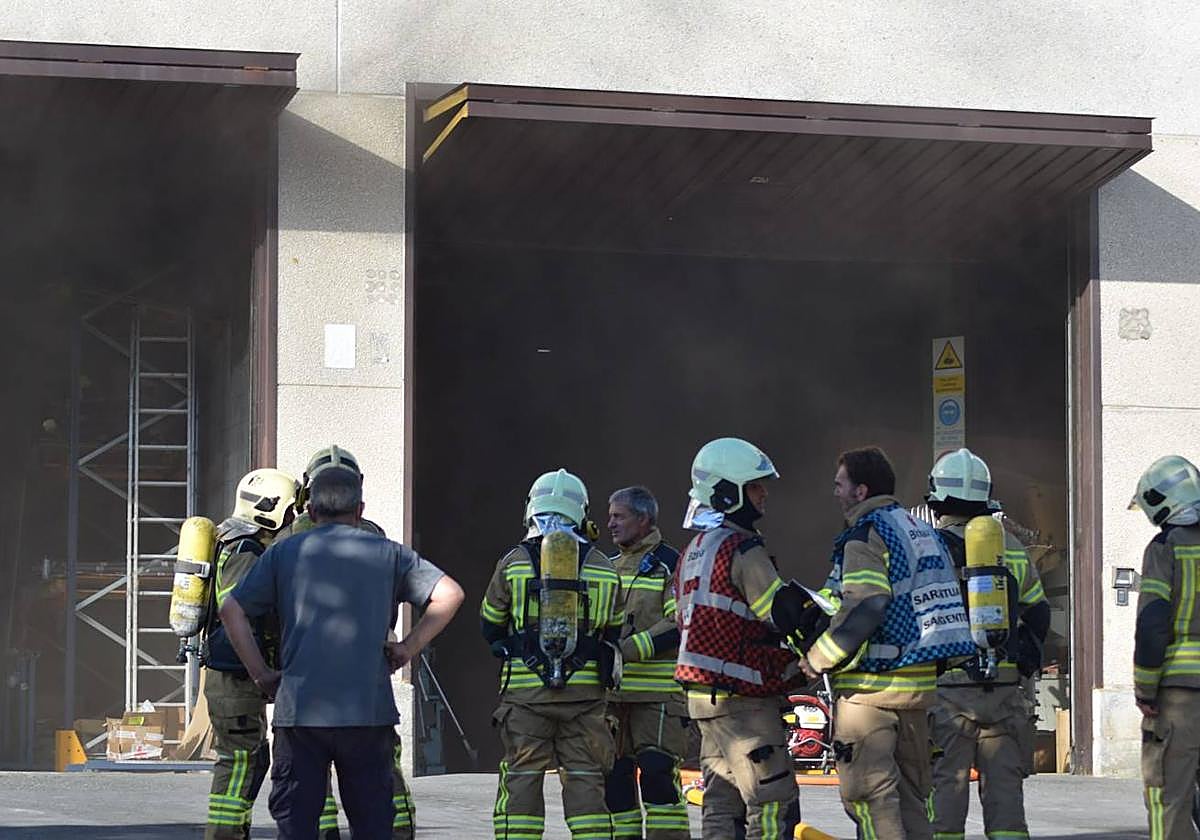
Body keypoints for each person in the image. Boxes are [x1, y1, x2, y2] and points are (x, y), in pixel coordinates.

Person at [219, 466, 464, 840]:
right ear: (360, 510)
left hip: (300, 714)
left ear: (312, 512)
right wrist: (407, 648)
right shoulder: (390, 554)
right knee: (372, 825)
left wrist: (261, 674)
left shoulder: (283, 554)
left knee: (298, 825)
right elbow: (450, 594)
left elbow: (231, 610)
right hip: (368, 714)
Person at [801, 447, 974, 840]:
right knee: (913, 800)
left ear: (861, 491)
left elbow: (867, 602)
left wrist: (818, 658)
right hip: (919, 693)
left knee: (869, 797)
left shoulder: (866, 534)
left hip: (872, 693)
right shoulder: (920, 530)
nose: (835, 493)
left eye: (839, 484)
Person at [274, 444, 413, 839]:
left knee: (304, 795)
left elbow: (253, 609)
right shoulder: (376, 539)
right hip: (366, 694)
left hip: (302, 694)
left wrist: (264, 671)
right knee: (376, 790)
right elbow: (409, 601)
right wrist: (403, 649)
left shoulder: (287, 543)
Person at [480, 468, 622, 840]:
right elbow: (614, 630)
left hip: (526, 699)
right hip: (586, 698)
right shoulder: (606, 568)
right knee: (587, 784)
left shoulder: (513, 562)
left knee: (522, 782)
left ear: (532, 508)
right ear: (582, 511)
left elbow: (490, 623)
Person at [673, 437, 802, 840]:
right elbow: (781, 615)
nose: (763, 494)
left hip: (705, 701)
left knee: (721, 805)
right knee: (772, 800)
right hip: (744, 699)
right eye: (755, 486)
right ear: (728, 493)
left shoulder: (692, 550)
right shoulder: (743, 550)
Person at [923, 448, 1049, 840]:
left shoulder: (926, 548)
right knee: (1007, 803)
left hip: (947, 694)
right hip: (1005, 691)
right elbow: (1039, 612)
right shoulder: (1009, 546)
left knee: (945, 795)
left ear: (937, 497)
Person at [200, 467, 300, 840]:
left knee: (252, 760)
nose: (292, 519)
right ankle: (225, 835)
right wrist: (263, 671)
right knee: (240, 762)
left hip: (237, 676)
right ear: (270, 508)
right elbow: (237, 609)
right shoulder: (245, 550)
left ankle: (230, 832)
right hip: (236, 678)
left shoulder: (237, 542)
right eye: (289, 511)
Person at [603, 486, 689, 840]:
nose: (610, 524)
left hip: (658, 696)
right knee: (615, 777)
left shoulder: (672, 563)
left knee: (656, 773)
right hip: (613, 696)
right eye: (609, 516)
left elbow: (678, 623)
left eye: (618, 516)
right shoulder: (604, 567)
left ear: (644, 519)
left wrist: (626, 650)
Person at [1130, 455, 1200, 840]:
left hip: (1181, 697)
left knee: (1167, 796)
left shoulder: (1165, 547)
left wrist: (1145, 690)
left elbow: (1153, 623)